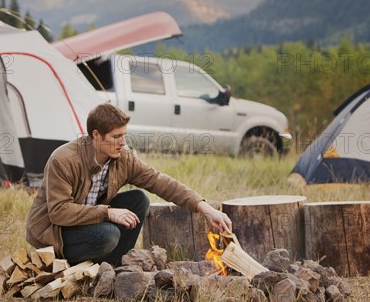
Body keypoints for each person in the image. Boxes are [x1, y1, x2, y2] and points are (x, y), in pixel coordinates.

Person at [26, 102, 232, 267]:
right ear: (96, 135)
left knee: (138, 199)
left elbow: (160, 182)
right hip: (55, 232)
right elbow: (58, 212)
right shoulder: (64, 160)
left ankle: (109, 266)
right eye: (116, 137)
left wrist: (204, 208)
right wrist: (107, 213)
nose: (122, 143)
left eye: (124, 135)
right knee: (109, 234)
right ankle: (83, 264)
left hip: (88, 221)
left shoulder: (123, 158)